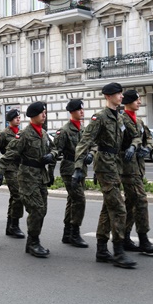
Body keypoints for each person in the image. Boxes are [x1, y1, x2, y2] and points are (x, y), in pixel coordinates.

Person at [73, 82, 139, 268]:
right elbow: (85, 142)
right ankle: (118, 251)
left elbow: (135, 136)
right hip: (104, 165)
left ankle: (102, 249)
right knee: (118, 208)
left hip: (116, 165)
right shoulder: (100, 117)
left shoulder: (120, 117)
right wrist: (78, 168)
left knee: (108, 207)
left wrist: (133, 146)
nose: (121, 96)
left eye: (121, 93)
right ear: (108, 96)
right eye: (118, 93)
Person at [1, 102, 58, 257]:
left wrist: (51, 155)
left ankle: (32, 242)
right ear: (33, 116)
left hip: (41, 176)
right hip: (27, 178)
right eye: (41, 113)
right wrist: (1, 172)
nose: (44, 115)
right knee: (36, 209)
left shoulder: (44, 133)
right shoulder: (24, 134)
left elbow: (54, 148)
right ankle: (33, 242)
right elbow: (10, 153)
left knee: (42, 210)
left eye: (45, 112)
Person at [119, 90, 153, 254]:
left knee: (130, 204)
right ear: (128, 102)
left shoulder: (139, 121)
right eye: (136, 100)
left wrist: (147, 148)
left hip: (138, 168)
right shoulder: (121, 120)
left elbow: (149, 138)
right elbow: (116, 144)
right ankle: (143, 240)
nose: (139, 102)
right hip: (127, 169)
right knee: (141, 201)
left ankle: (124, 238)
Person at [52, 99, 92, 248]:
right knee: (79, 200)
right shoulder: (64, 131)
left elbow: (93, 144)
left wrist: (91, 154)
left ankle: (67, 233)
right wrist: (49, 172)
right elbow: (55, 151)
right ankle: (75, 233)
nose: (82, 112)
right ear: (72, 112)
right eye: (79, 109)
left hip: (82, 169)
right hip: (69, 169)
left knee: (72, 200)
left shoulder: (83, 129)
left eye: (82, 109)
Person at [0, 108, 25, 238]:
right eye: (16, 118)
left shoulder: (21, 132)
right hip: (10, 167)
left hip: (21, 167)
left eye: (19, 117)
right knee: (18, 195)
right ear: (10, 120)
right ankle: (14, 226)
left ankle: (10, 225)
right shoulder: (4, 134)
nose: (18, 119)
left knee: (15, 197)